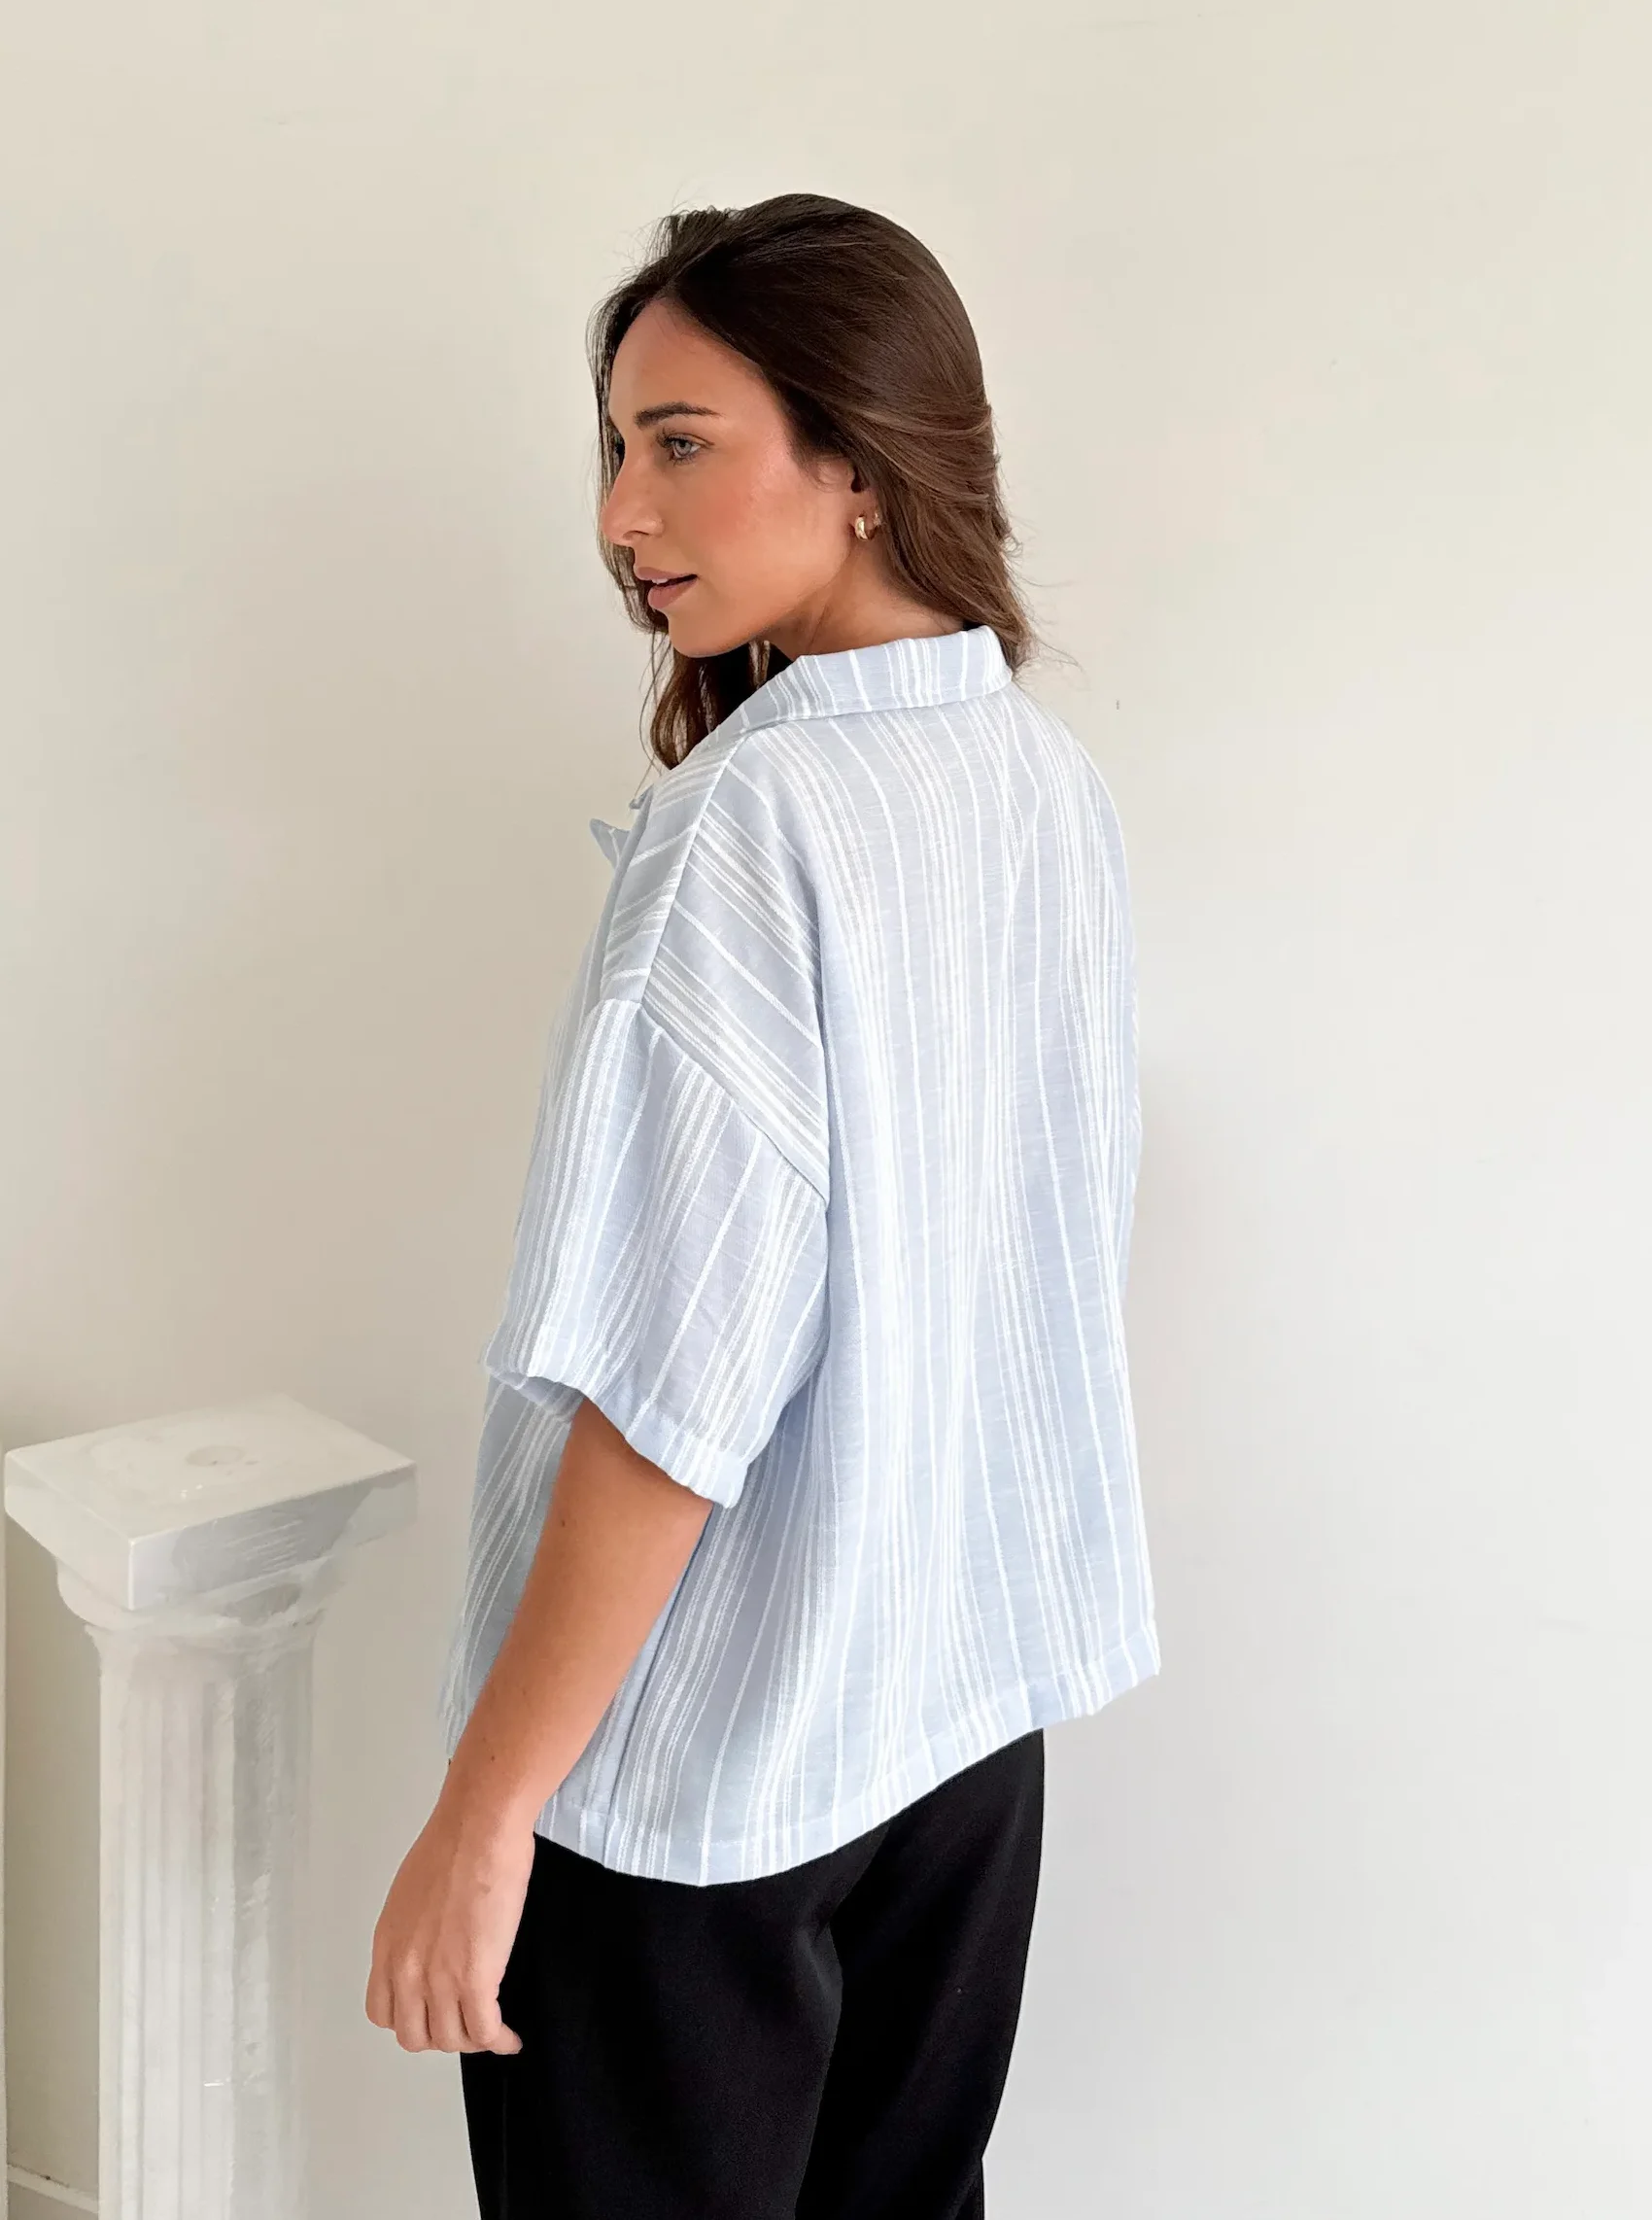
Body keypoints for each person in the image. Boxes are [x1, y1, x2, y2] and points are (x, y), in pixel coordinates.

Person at [364, 191, 1160, 2219]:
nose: (621, 515)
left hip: (703, 1781)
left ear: (862, 461)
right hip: (954, 1731)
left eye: (680, 442)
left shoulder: (754, 828)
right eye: (613, 449)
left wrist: (486, 1812)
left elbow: (669, 1399)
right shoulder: (1035, 780)